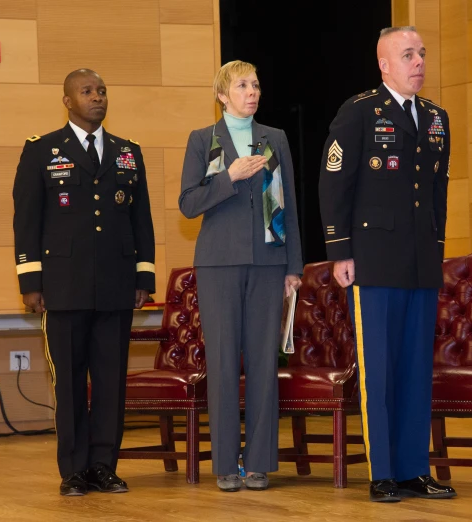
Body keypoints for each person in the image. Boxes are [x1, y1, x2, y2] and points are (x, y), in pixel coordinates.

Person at [318, 27, 456, 502]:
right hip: (374, 262)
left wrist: (436, 250)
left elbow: (437, 193)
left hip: (421, 263)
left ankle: (415, 468)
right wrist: (339, 251)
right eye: (407, 54)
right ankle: (382, 473)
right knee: (378, 369)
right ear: (384, 64)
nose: (418, 61)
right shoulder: (359, 112)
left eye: (421, 53)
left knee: (417, 369)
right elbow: (334, 184)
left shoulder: (437, 118)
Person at [13, 68, 156, 496]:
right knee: (70, 380)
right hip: (64, 285)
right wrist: (30, 280)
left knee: (111, 381)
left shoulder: (127, 152)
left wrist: (143, 276)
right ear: (68, 100)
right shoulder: (41, 151)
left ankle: (103, 465)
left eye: (102, 91)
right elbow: (26, 220)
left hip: (116, 284)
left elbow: (141, 220)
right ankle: (73, 469)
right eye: (87, 91)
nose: (97, 97)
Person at [179, 60, 303, 492]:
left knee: (265, 363)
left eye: (256, 84)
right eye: (243, 85)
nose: (252, 91)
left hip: (269, 263)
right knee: (224, 363)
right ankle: (225, 464)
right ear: (222, 94)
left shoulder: (276, 139)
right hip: (218, 264)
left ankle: (259, 463)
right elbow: (188, 203)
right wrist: (229, 177)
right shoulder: (203, 140)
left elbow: (289, 203)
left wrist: (293, 266)